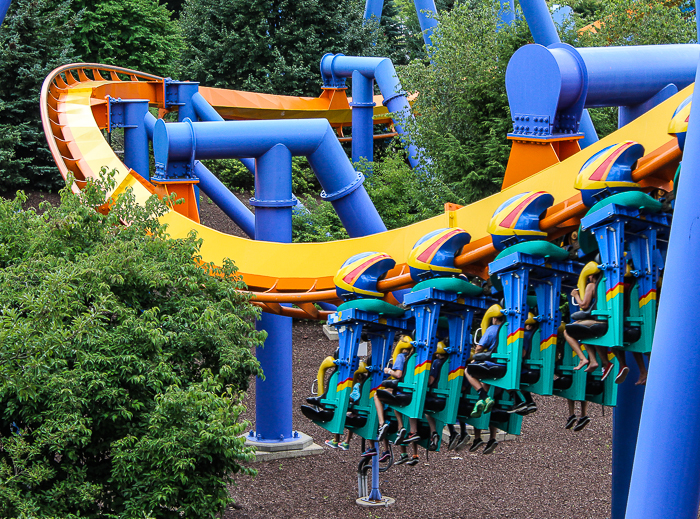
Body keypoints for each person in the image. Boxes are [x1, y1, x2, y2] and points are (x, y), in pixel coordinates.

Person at [464, 311, 503, 417]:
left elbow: (479, 347)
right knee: (488, 377)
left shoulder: (492, 329)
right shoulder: (510, 330)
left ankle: (484, 396)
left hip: (491, 363)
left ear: (494, 318)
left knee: (468, 370)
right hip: (505, 364)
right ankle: (481, 401)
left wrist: (475, 358)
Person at [564, 268, 602, 372]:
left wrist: (575, 295)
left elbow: (584, 305)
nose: (588, 278)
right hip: (602, 318)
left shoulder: (591, 286)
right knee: (581, 330)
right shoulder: (604, 285)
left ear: (592, 276)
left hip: (599, 320)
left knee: (567, 332)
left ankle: (582, 358)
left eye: (589, 276)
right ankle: (593, 360)